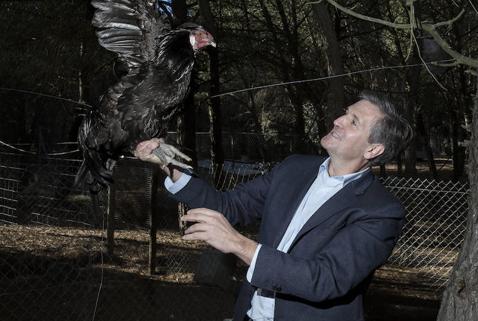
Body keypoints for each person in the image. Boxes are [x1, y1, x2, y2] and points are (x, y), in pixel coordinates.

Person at [134, 91, 413, 321]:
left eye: (353, 122)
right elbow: (229, 205)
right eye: (345, 112)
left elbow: (324, 279)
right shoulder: (293, 168)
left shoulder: (381, 211)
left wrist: (238, 244)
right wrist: (169, 167)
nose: (338, 120)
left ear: (373, 150)